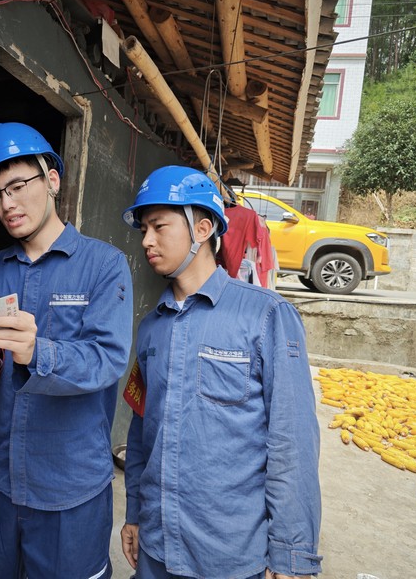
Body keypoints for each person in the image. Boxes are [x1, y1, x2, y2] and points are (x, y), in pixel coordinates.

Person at [0, 123, 133, 579]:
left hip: (70, 488)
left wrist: (37, 352)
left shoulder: (104, 265)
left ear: (52, 180)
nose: (6, 204)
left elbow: (106, 360)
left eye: (17, 186)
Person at [119, 166, 322, 579]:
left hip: (230, 557)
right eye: (143, 229)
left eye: (159, 226)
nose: (146, 240)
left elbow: (292, 443)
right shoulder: (151, 328)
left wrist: (291, 555)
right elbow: (141, 432)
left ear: (203, 229)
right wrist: (134, 512)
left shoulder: (267, 316)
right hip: (156, 550)